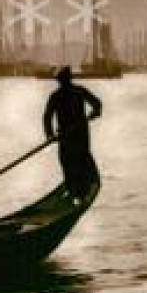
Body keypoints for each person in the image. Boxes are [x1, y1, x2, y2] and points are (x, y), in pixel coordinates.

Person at [43, 66, 102, 198]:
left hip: (77, 133)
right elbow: (47, 116)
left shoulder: (67, 93)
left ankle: (78, 189)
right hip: (68, 134)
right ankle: (74, 189)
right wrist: (50, 135)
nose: (63, 82)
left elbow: (97, 104)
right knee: (70, 160)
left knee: (75, 159)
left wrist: (94, 113)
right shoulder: (62, 94)